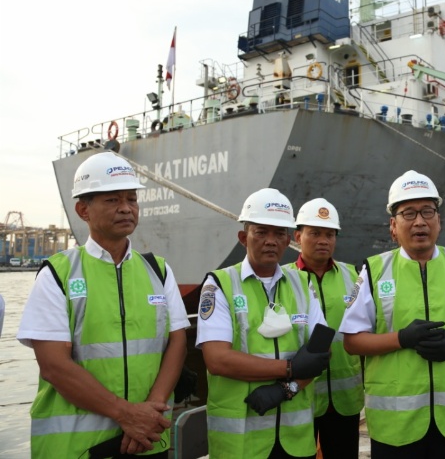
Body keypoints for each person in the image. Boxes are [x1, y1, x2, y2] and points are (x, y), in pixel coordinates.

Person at [16, 151, 190, 458]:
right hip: (77, 448)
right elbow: (54, 366)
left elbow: (177, 342)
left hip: (148, 442)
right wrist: (127, 415)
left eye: (131, 199)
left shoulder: (158, 270)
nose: (126, 208)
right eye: (112, 200)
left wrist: (150, 413)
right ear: (83, 209)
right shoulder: (57, 274)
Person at [339, 170, 445, 458]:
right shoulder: (373, 271)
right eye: (408, 213)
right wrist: (401, 338)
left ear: (439, 220)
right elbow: (352, 341)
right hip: (395, 425)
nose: (420, 221)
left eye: (428, 211)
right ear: (393, 225)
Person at [197, 188, 330, 459]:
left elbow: (319, 353)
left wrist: (286, 389)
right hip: (241, 444)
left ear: (288, 240)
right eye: (261, 232)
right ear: (243, 237)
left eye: (280, 233)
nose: (271, 241)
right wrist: (290, 368)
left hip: (295, 441)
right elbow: (217, 359)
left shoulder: (303, 284)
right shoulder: (219, 284)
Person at [283, 198, 363, 459]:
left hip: (345, 401)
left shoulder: (354, 277)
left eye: (329, 234)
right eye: (314, 233)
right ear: (298, 236)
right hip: (302, 397)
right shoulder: (284, 280)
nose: (323, 240)